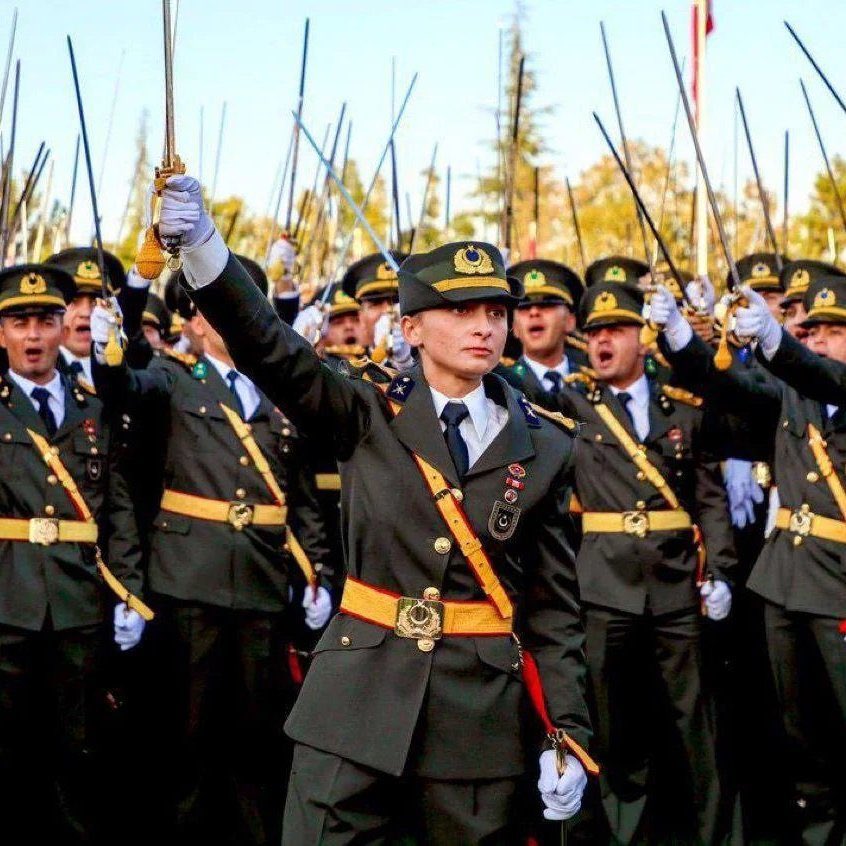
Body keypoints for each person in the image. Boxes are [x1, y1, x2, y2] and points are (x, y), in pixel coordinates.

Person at [152, 173, 594, 844]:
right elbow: (273, 350)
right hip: (354, 707)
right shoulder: (364, 411)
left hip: (477, 723)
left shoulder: (547, 447)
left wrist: (568, 734)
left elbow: (554, 610)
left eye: (496, 310)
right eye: (461, 309)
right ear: (411, 326)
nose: (485, 325)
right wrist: (206, 248)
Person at [91, 258, 333, 846]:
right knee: (189, 734)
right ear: (192, 322)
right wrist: (110, 348)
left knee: (256, 735)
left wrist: (317, 572)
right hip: (190, 578)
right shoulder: (175, 379)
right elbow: (123, 386)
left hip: (262, 580)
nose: (227, 324)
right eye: (213, 312)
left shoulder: (283, 389)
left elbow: (301, 496)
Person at [652, 276, 846, 843]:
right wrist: (681, 334)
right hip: (787, 581)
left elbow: (821, 373)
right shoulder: (792, 394)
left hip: (839, 583)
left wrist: (776, 342)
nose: (822, 341)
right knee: (802, 738)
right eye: (813, 329)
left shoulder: (820, 378)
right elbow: (727, 386)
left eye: (836, 332)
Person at [557, 280, 736, 843]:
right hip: (604, 587)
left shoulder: (680, 408)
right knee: (616, 730)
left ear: (642, 337)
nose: (603, 341)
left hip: (679, 586)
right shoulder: (571, 403)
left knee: (698, 728)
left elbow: (709, 498)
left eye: (615, 330)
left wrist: (724, 571)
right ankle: (624, 835)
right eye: (594, 333)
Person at [0, 262, 145, 843]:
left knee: (77, 751)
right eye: (18, 322)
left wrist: (129, 591)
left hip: (77, 604)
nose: (33, 335)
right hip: (7, 603)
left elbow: (117, 508)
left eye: (45, 320)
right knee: (8, 752)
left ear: (64, 327)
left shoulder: (93, 406)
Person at [502, 259, 587, 405]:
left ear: (570, 321)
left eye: (546, 305)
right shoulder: (502, 384)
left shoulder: (595, 382)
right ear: (514, 327)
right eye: (524, 307)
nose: (534, 312)